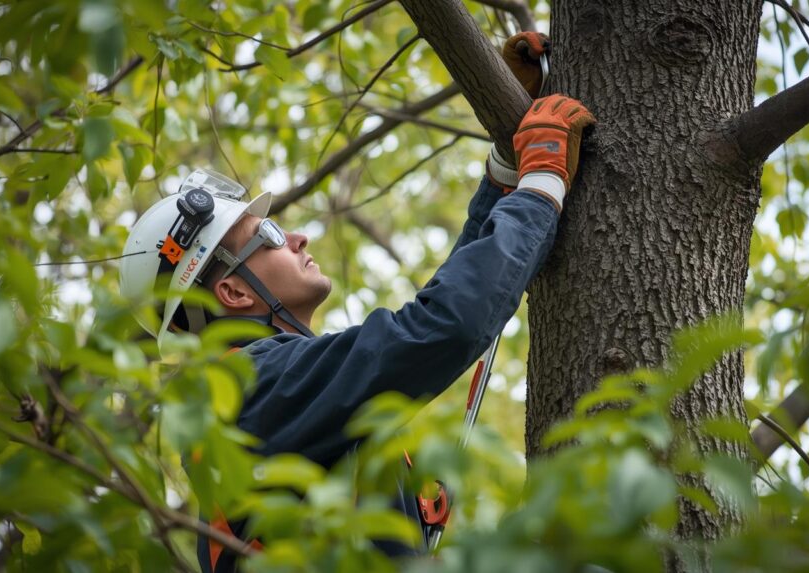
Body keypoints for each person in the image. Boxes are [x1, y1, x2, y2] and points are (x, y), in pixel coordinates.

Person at [119, 32, 595, 572]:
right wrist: (539, 188)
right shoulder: (244, 393)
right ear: (232, 291)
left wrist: (508, 170)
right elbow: (442, 326)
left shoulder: (284, 399)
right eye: (269, 234)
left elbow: (437, 317)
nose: (297, 238)